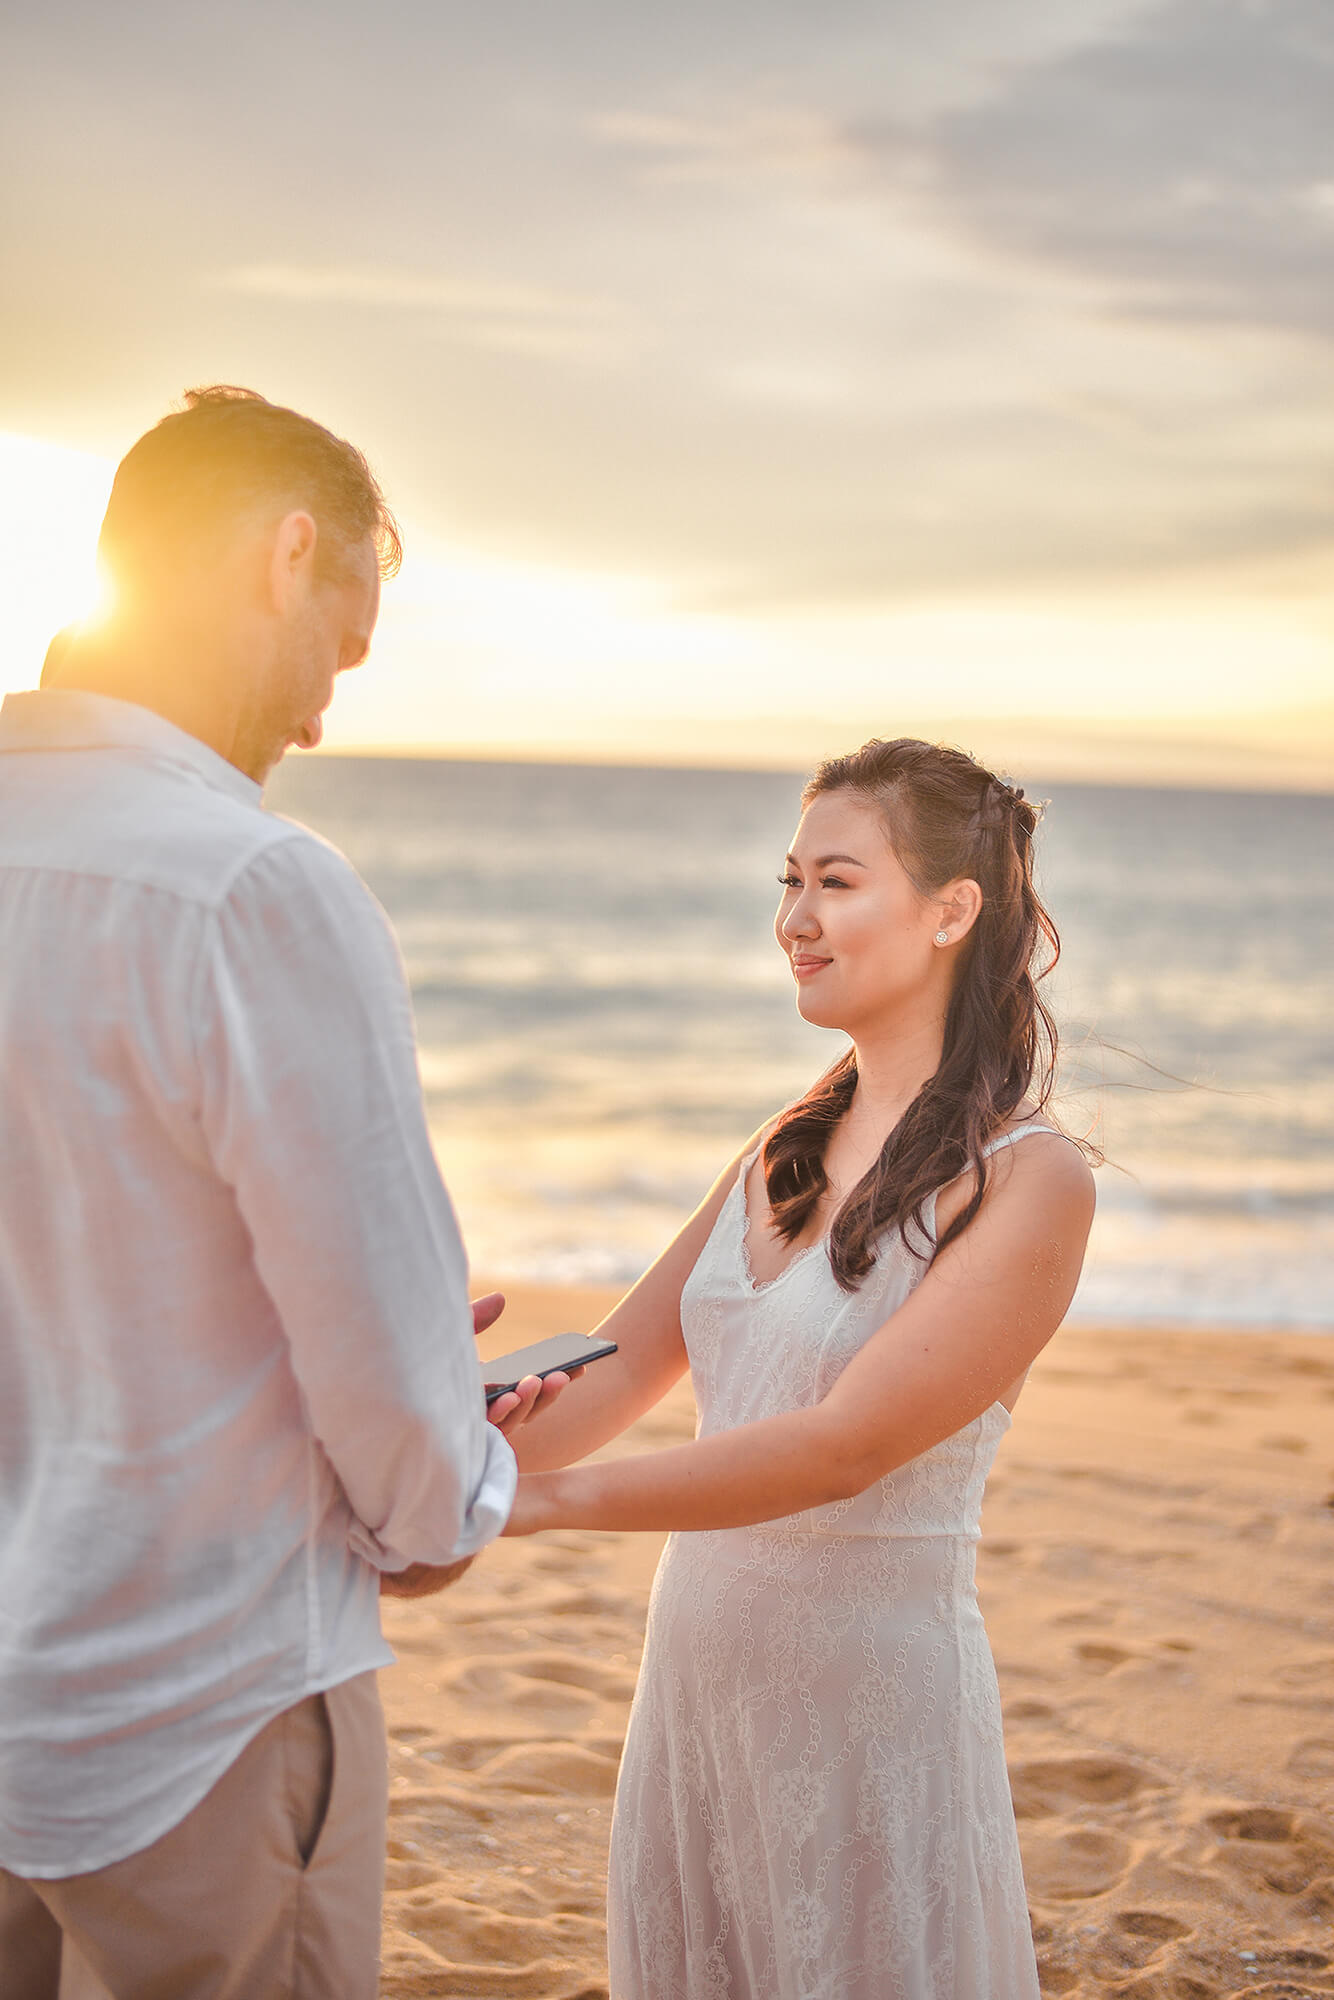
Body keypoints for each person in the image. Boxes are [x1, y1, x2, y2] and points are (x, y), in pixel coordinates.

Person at [0, 386, 567, 2000]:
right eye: (344, 643)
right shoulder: (252, 884)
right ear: (286, 553)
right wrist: (443, 1497)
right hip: (199, 1706)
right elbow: (386, 1371)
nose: (323, 713)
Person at [501, 737, 1097, 1999]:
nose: (792, 920)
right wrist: (436, 1427)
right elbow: (602, 1384)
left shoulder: (1029, 1177)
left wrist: (536, 1508)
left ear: (950, 909)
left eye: (834, 880)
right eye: (788, 881)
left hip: (866, 1712)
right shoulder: (778, 1143)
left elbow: (845, 1446)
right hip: (696, 1689)